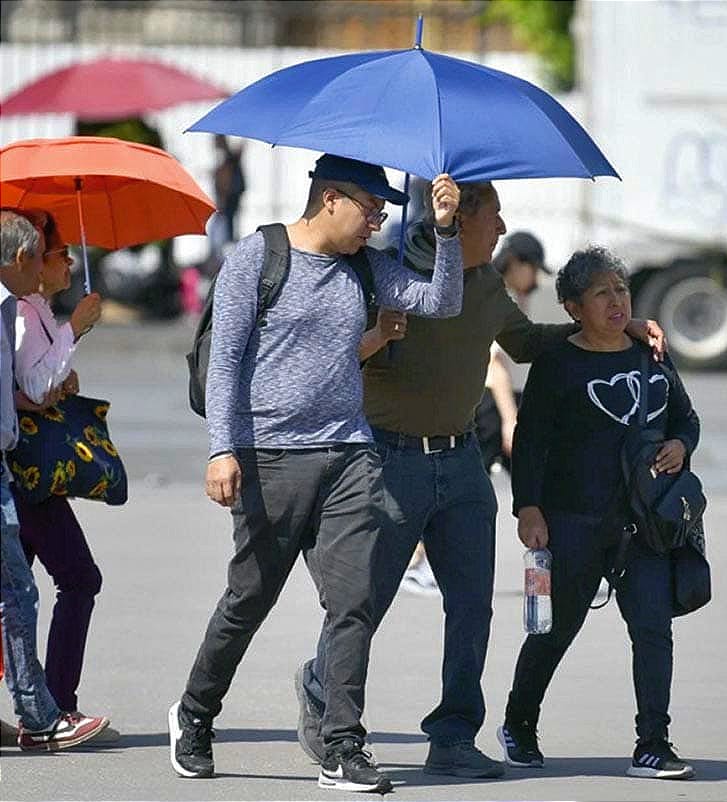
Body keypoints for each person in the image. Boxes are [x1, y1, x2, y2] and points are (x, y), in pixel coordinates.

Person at [298, 183, 665, 779]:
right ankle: (325, 696)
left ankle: (453, 735)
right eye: (492, 216)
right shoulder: (389, 277)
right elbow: (333, 356)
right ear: (456, 218)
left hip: (463, 463)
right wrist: (378, 336)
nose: (501, 228)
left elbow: (528, 343)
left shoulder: (489, 283)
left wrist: (615, 325)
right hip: (392, 462)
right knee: (364, 604)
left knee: (471, 606)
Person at [168, 155, 463, 794]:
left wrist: (444, 228)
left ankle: (342, 746)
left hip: (351, 453)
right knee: (250, 599)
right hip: (268, 455)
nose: (377, 221)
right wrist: (222, 450)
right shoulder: (258, 256)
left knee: (352, 600)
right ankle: (194, 714)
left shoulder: (363, 265)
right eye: (371, 208)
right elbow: (224, 364)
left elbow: (441, 300)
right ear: (331, 198)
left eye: (385, 211)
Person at [498, 246, 698, 780]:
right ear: (572, 307)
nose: (616, 301)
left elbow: (686, 417)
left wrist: (680, 444)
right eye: (602, 293)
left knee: (653, 629)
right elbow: (531, 440)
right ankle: (519, 721)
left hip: (646, 524)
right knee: (555, 630)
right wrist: (529, 509)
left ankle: (653, 742)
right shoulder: (559, 362)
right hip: (573, 521)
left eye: (622, 290)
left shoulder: (651, 353)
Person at [0, 208, 108, 750]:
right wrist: (76, 330)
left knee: (16, 591)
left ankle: (44, 705)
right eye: (61, 254)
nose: (67, 262)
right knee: (74, 579)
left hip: (24, 467)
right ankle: (51, 707)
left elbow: (32, 385)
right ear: (34, 263)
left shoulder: (31, 309)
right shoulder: (22, 312)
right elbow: (34, 385)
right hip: (25, 474)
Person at [478, 231, 551, 472]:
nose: (536, 281)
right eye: (533, 269)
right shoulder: (500, 298)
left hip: (503, 401)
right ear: (516, 263)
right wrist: (510, 421)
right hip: (493, 403)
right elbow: (495, 364)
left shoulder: (494, 290)